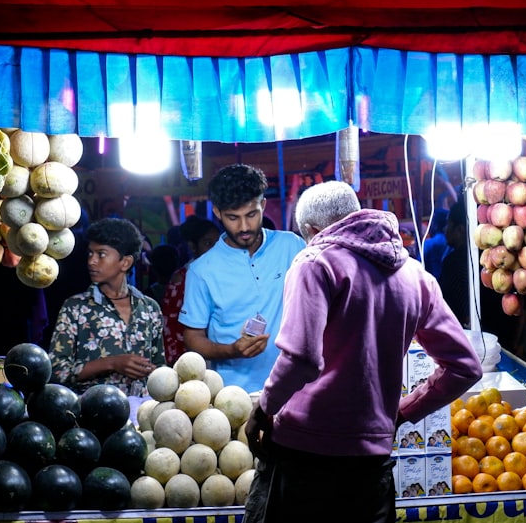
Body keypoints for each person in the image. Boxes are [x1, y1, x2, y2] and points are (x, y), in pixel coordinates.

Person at [243, 181, 482, 523]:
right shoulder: (416, 275)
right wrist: (402, 411)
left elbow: (301, 359)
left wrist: (264, 408)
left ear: (312, 230)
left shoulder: (315, 261)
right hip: (371, 461)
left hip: (304, 455)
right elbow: (465, 367)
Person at [180, 164, 306, 393]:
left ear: (263, 205)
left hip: (296, 390)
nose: (244, 227)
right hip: (234, 396)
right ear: (217, 212)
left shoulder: (292, 246)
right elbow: (193, 337)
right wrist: (232, 350)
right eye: (233, 218)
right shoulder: (201, 271)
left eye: (251, 214)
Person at [49, 218, 165, 396]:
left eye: (101, 254)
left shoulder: (150, 308)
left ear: (125, 262)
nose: (91, 261)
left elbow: (160, 369)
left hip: (142, 414)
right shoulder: (75, 308)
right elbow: (56, 372)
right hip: (91, 413)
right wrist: (112, 363)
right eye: (90, 254)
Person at [160, 215, 222, 364]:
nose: (215, 249)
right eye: (208, 243)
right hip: (192, 361)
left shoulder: (229, 274)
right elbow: (172, 328)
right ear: (193, 247)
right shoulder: (182, 279)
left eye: (218, 243)